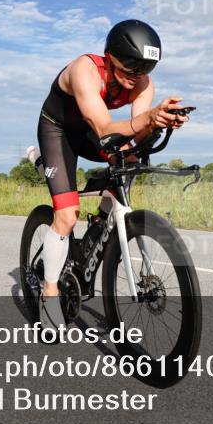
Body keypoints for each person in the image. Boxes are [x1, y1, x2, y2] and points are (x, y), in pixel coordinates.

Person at [33, 19, 188, 331]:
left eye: (144, 70)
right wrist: (148, 117)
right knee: (65, 216)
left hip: (91, 133)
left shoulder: (142, 83)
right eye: (129, 68)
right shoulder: (85, 70)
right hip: (59, 131)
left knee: (129, 158)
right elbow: (105, 128)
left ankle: (102, 223)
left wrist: (158, 122)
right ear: (110, 55)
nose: (136, 78)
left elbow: (138, 132)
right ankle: (49, 296)